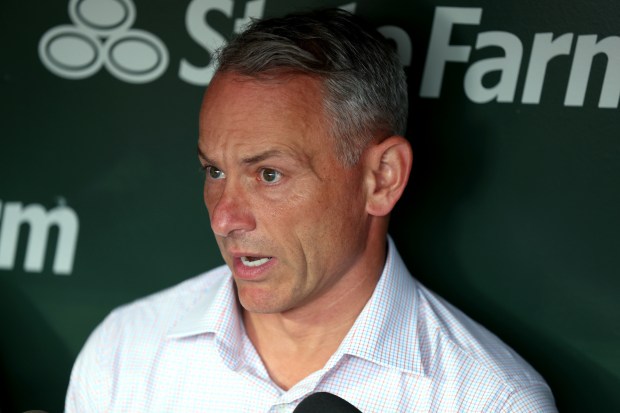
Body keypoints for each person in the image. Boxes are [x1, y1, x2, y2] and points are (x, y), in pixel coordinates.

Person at [65, 9, 557, 412]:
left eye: (269, 175)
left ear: (381, 178)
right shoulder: (123, 351)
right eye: (214, 172)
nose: (224, 218)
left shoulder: (490, 401)